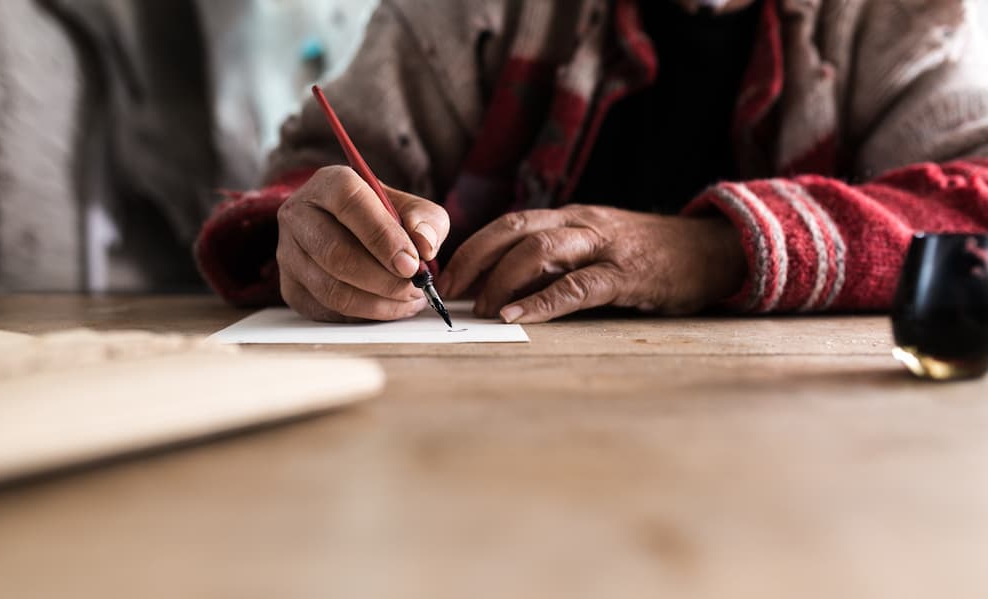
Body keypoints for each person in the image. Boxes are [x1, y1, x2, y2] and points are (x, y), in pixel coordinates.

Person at [195, 0, 988, 324]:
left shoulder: (897, 17)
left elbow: (973, 210)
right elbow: (312, 174)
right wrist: (310, 234)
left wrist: (712, 250)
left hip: (823, 449)